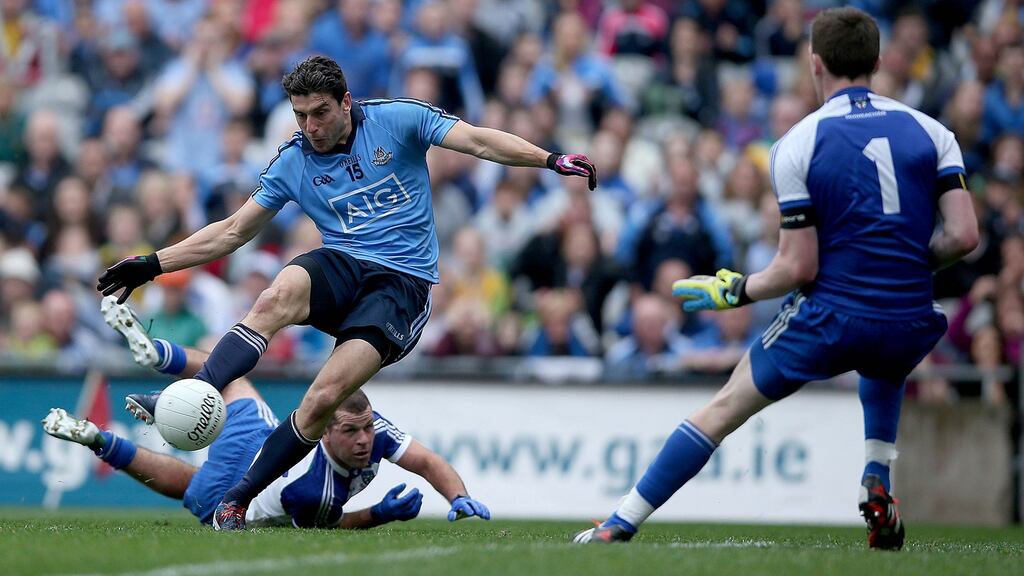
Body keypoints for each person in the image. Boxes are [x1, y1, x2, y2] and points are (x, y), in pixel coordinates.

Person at [95, 55, 596, 530]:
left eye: (319, 113)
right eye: (300, 115)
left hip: (401, 285)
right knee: (273, 298)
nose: (309, 127)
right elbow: (231, 232)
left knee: (323, 400)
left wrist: (550, 159)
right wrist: (153, 263)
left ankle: (236, 500)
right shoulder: (293, 159)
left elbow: (480, 142)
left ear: (346, 102)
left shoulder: (398, 120)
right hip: (344, 262)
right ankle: (193, 392)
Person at [573, 8, 979, 550]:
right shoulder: (933, 132)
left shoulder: (798, 143)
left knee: (723, 408)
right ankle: (877, 478)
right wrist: (899, 264)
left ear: (814, 64)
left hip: (834, 314)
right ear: (879, 62)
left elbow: (798, 268)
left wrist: (734, 290)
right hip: (907, 317)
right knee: (884, 364)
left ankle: (618, 522)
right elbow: (964, 236)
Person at [42, 297, 490, 528]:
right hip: (235, 501)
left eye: (367, 429)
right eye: (352, 431)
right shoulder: (314, 491)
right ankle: (110, 429)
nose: (364, 440)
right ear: (324, 430)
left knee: (233, 382)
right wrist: (379, 514)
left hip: (254, 449)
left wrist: (457, 495)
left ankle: (163, 368)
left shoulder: (374, 433)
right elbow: (334, 524)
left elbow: (428, 461)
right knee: (196, 482)